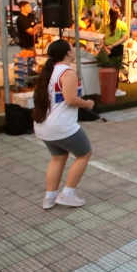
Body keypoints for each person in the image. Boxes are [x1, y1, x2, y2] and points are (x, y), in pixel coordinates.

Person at [32, 39, 96, 209]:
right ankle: (67, 194)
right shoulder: (68, 72)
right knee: (84, 154)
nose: (74, 50)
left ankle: (50, 197)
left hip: (43, 125)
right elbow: (71, 99)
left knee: (58, 157)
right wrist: (88, 103)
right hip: (62, 126)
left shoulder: (49, 71)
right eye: (72, 48)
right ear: (68, 53)